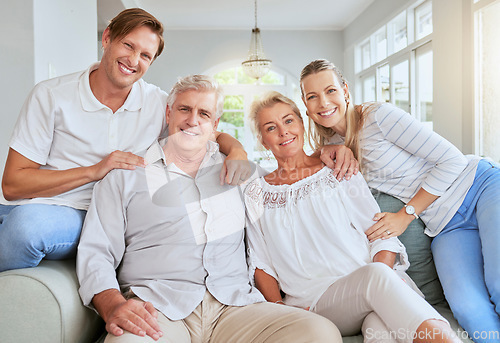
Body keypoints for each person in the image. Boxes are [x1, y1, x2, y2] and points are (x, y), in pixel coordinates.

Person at [76, 75, 341, 343]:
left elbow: (294, 188)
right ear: (169, 113)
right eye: (184, 109)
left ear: (214, 124)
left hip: (236, 308)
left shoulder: (242, 173)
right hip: (158, 309)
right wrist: (112, 304)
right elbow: (96, 252)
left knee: (320, 333)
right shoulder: (125, 176)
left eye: (204, 113)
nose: (193, 120)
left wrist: (332, 152)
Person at [0, 8, 249, 273]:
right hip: (34, 205)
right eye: (128, 45)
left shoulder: (157, 103)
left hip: (94, 215)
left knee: (26, 228)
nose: (133, 60)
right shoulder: (51, 95)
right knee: (17, 221)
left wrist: (237, 152)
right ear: (107, 37)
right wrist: (95, 171)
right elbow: (13, 185)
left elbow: (205, 130)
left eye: (145, 55)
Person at [300, 58, 500, 342]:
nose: (323, 102)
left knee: (498, 282)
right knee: (468, 309)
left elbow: (452, 159)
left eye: (330, 90)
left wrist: (405, 215)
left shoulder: (379, 116)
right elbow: (295, 163)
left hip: (479, 185)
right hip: (445, 224)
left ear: (345, 90)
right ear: (305, 105)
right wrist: (322, 152)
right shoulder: (333, 150)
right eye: (312, 96)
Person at [244, 91, 462, 343]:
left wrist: (383, 279)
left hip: (372, 291)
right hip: (315, 303)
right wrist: (280, 310)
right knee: (376, 277)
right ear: (262, 140)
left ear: (302, 123)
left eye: (289, 120)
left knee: (382, 332)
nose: (283, 131)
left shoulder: (339, 169)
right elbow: (261, 264)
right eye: (271, 127)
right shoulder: (256, 193)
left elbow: (381, 235)